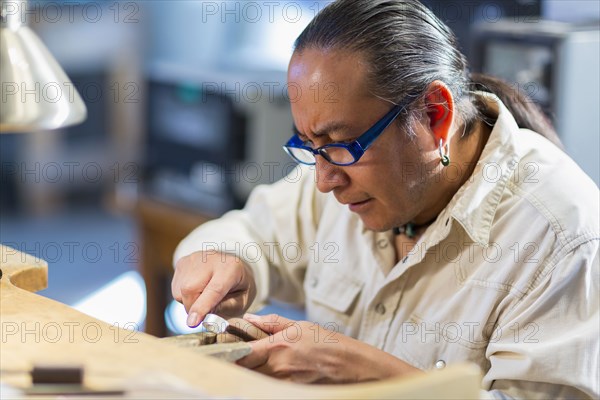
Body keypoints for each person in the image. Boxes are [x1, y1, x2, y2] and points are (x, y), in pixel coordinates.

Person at [172, 0, 599, 398]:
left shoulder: (563, 237)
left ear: (435, 116)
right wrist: (224, 258)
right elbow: (251, 230)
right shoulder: (337, 165)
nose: (323, 181)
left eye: (341, 143)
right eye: (309, 144)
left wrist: (368, 371)